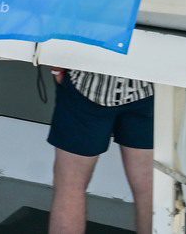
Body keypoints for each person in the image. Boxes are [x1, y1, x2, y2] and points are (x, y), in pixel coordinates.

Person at [45, 66, 154, 234]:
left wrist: (56, 68)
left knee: (70, 186)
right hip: (148, 87)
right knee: (150, 188)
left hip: (88, 85)